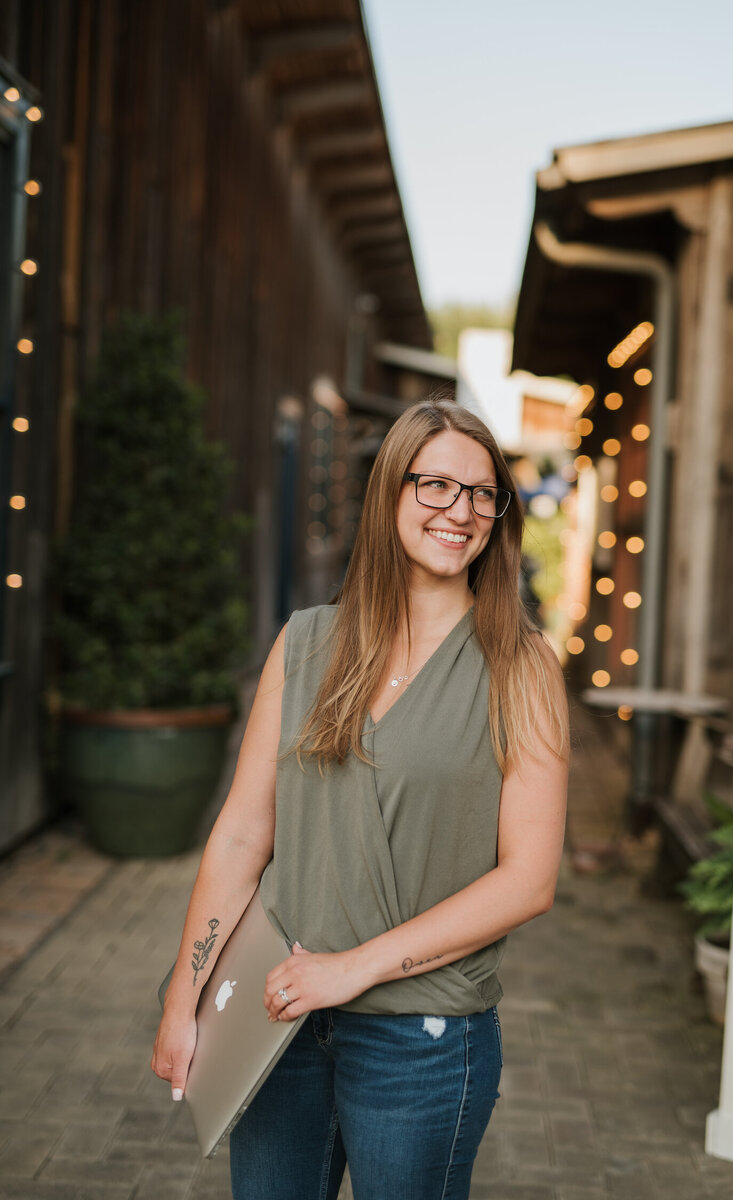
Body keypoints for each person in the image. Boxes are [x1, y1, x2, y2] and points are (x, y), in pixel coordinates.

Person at [152, 399, 569, 1200]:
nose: (463, 511)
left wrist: (351, 971)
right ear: (390, 493)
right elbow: (242, 834)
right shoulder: (306, 641)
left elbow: (528, 881)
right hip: (278, 1021)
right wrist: (184, 995)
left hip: (424, 1038)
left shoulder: (521, 667)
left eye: (484, 494)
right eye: (437, 485)